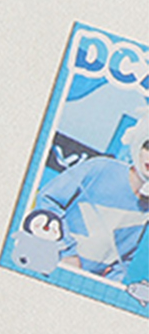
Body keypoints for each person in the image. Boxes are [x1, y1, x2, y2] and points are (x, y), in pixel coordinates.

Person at [34, 114, 149, 281]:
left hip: (85, 284)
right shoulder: (100, 168)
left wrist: (109, 283)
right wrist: (66, 251)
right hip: (46, 261)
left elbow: (129, 259)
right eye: (148, 145)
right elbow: (47, 200)